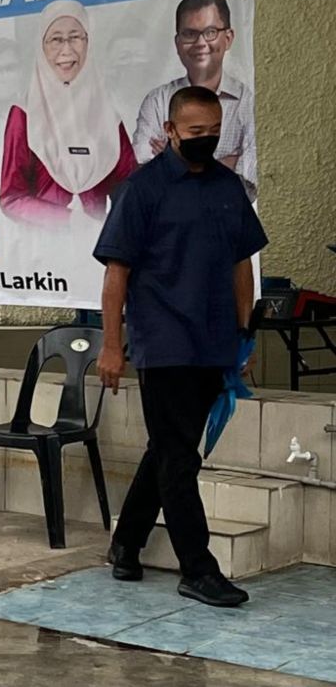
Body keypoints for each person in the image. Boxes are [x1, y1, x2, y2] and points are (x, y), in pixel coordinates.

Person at [94, 86, 268, 607]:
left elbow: (243, 264)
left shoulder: (228, 187)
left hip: (214, 340)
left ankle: (126, 542)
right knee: (178, 458)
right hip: (163, 340)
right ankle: (198, 567)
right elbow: (115, 275)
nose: (206, 140)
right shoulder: (142, 189)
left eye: (214, 132)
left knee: (170, 450)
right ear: (170, 131)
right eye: (195, 133)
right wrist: (111, 346)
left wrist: (243, 333)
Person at [0, 0, 136, 227]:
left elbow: (130, 187)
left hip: (97, 247)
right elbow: (11, 198)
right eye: (56, 39)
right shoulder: (24, 113)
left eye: (75, 37)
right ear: (41, 47)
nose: (67, 49)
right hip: (44, 248)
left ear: (88, 43)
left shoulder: (106, 113)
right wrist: (67, 220)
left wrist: (109, 229)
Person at [132, 0, 257, 201]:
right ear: (178, 43)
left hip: (226, 223)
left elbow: (250, 182)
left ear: (228, 38)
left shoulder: (247, 101)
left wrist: (174, 159)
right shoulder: (157, 100)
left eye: (210, 32)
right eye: (190, 34)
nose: (200, 43)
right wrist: (225, 164)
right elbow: (144, 173)